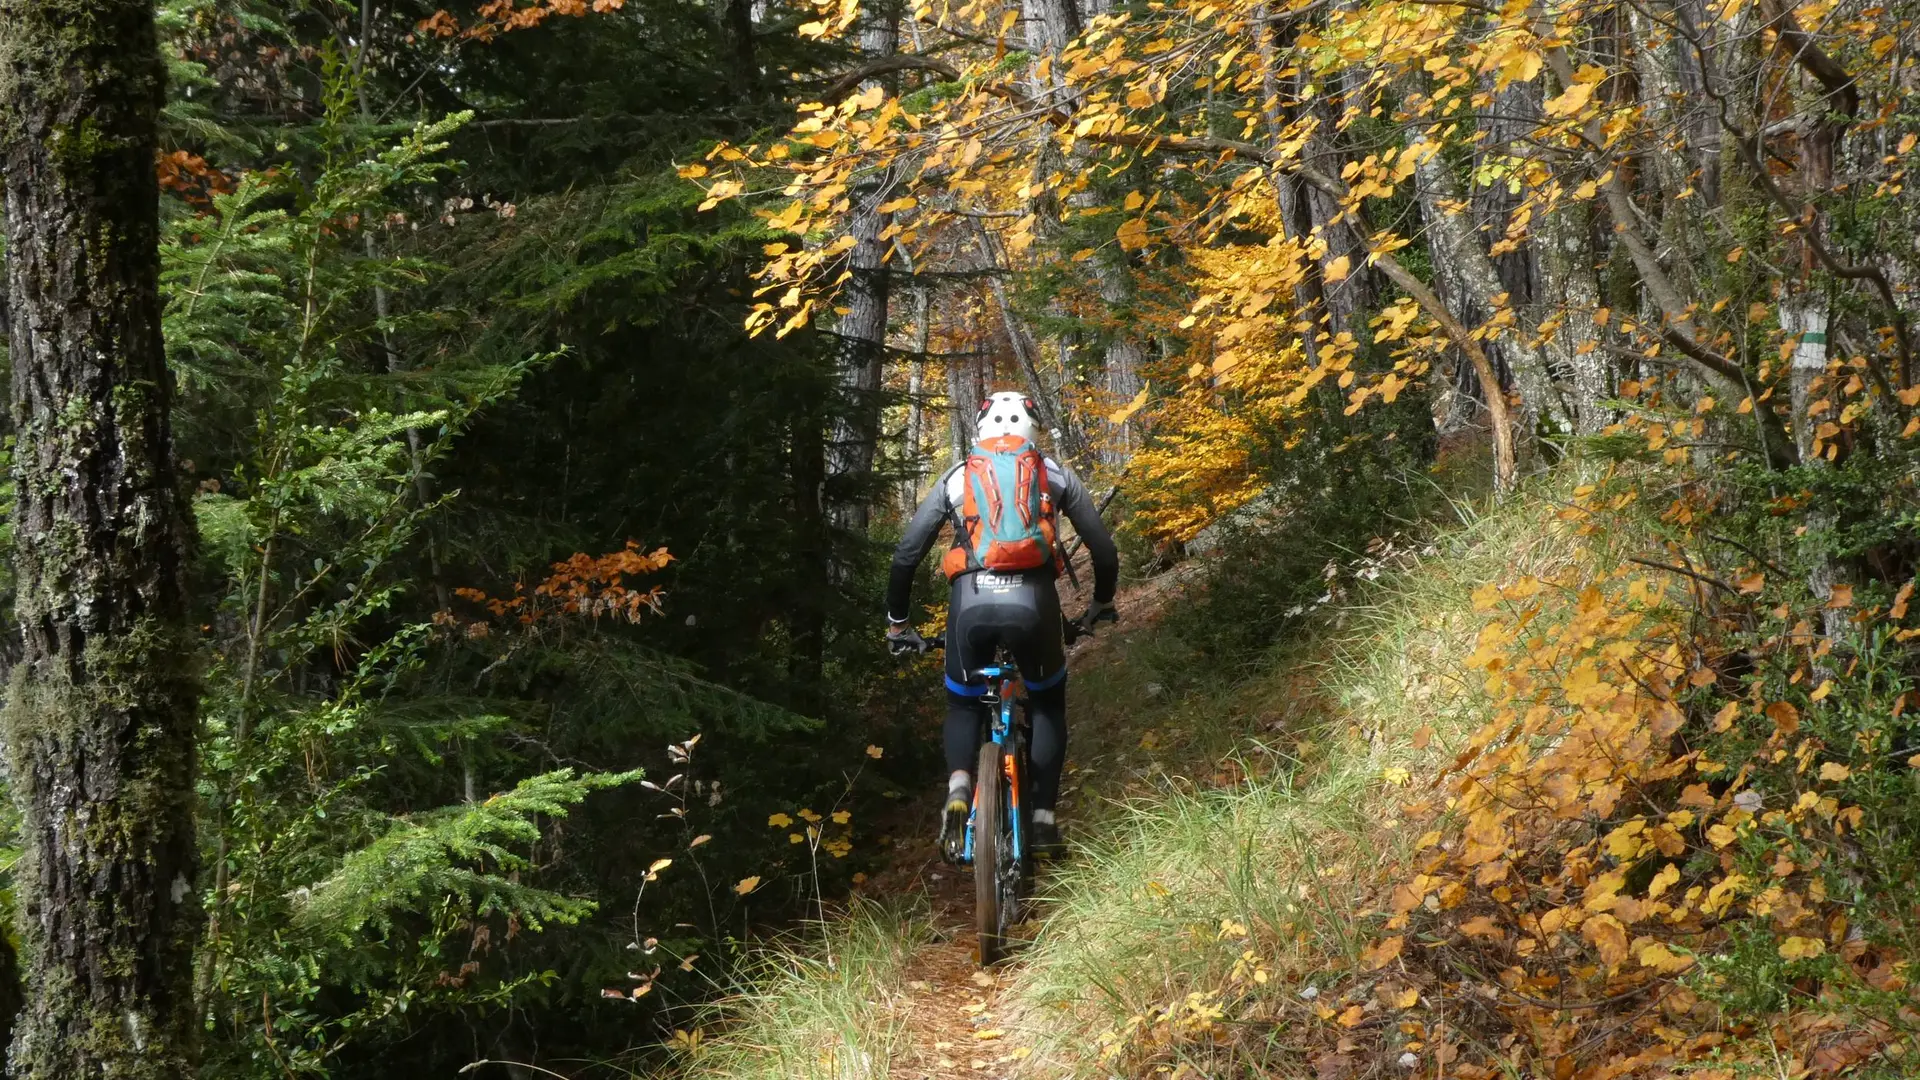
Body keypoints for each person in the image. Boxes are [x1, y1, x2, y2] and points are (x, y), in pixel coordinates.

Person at [885, 391, 1119, 860]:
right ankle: (1044, 822)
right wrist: (1100, 604)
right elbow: (1103, 549)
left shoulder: (958, 476)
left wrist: (898, 623)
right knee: (1048, 702)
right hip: (1034, 604)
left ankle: (957, 791)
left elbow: (907, 554)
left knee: (964, 703)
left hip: (969, 604)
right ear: (1034, 429)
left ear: (981, 429)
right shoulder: (1053, 474)